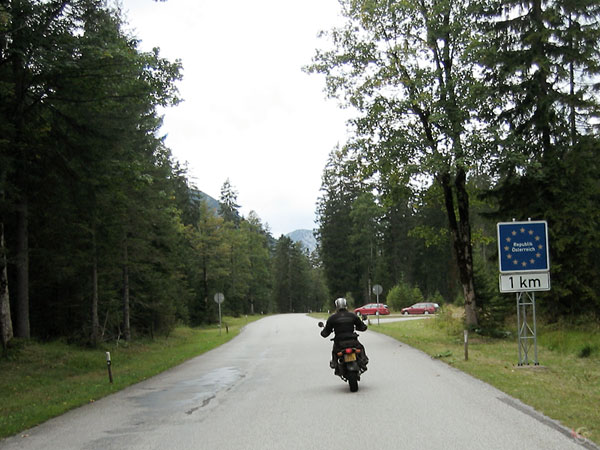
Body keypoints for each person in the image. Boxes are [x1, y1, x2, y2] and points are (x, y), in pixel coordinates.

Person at [320, 297, 369, 372]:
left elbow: (325, 332)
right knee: (361, 348)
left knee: (334, 352)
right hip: (352, 341)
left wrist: (324, 332)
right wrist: (359, 327)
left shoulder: (332, 318)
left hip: (339, 342)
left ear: (336, 306)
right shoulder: (353, 316)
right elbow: (363, 327)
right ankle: (363, 359)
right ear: (346, 305)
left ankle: (334, 363)